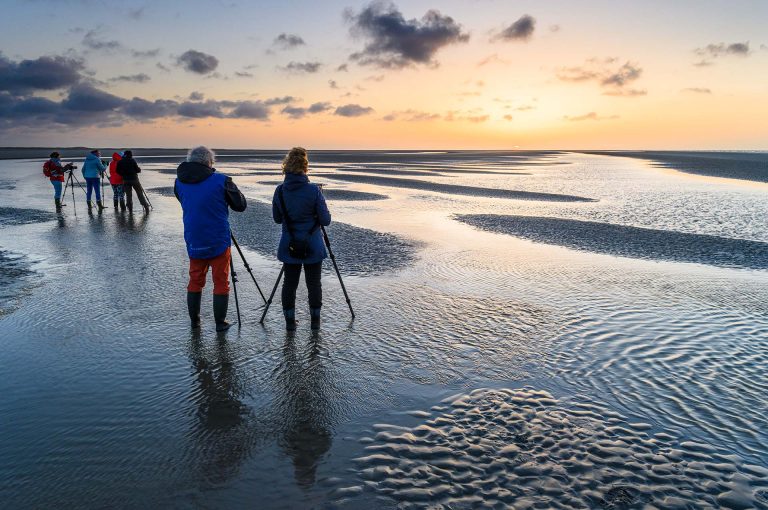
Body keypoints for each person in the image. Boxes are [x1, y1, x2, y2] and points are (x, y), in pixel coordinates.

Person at [174, 146, 247, 332]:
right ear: (209, 162)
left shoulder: (179, 182)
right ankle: (220, 323)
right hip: (218, 238)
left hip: (194, 237)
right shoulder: (221, 181)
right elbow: (240, 205)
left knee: (195, 279)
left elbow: (186, 201)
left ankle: (195, 322)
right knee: (221, 280)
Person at [272, 147, 331, 331]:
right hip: (312, 245)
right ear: (305, 167)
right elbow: (326, 220)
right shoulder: (314, 191)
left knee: (289, 283)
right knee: (314, 283)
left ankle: (290, 323)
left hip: (290, 245)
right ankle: (315, 322)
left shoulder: (280, 191)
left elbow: (277, 218)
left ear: (286, 166)